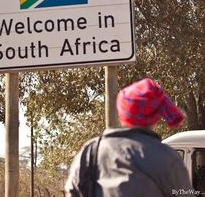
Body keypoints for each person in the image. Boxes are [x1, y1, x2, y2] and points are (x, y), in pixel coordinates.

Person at [65, 78, 195, 197]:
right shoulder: (167, 158)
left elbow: (72, 191)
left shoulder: (92, 151)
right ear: (156, 117)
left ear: (121, 113)